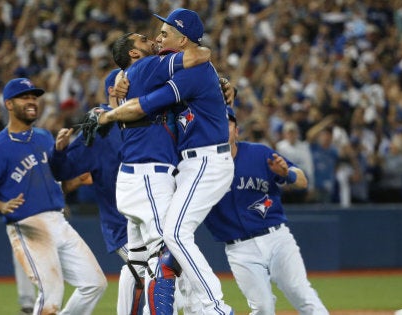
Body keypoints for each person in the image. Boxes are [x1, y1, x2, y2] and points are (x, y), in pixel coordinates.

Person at [97, 8, 235, 314]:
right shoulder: (155, 69)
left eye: (163, 33)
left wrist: (108, 111)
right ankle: (209, 308)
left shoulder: (185, 71)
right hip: (168, 169)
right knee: (165, 247)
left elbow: (197, 61)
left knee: (163, 245)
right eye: (151, 37)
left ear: (181, 38)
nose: (157, 38)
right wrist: (113, 98)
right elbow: (197, 58)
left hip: (193, 163)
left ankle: (211, 308)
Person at [0, 78, 107, 315]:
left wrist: (77, 180)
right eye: (25, 97)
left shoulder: (44, 137)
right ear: (9, 104)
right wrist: (1, 205)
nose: (32, 101)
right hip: (28, 225)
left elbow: (55, 185)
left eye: (34, 97)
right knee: (51, 292)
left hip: (58, 220)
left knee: (94, 283)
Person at [205, 106, 329, 315]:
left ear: (236, 131)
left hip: (277, 238)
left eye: (228, 123)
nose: (223, 127)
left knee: (302, 294)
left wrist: (287, 174)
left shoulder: (258, 153)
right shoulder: (201, 168)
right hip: (240, 249)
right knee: (263, 307)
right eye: (217, 122)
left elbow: (302, 180)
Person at [51, 69, 136, 315]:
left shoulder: (142, 118)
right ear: (112, 90)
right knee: (150, 271)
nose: (130, 85)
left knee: (169, 276)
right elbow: (64, 170)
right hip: (122, 223)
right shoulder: (99, 125)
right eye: (124, 82)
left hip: (152, 218)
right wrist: (59, 151)